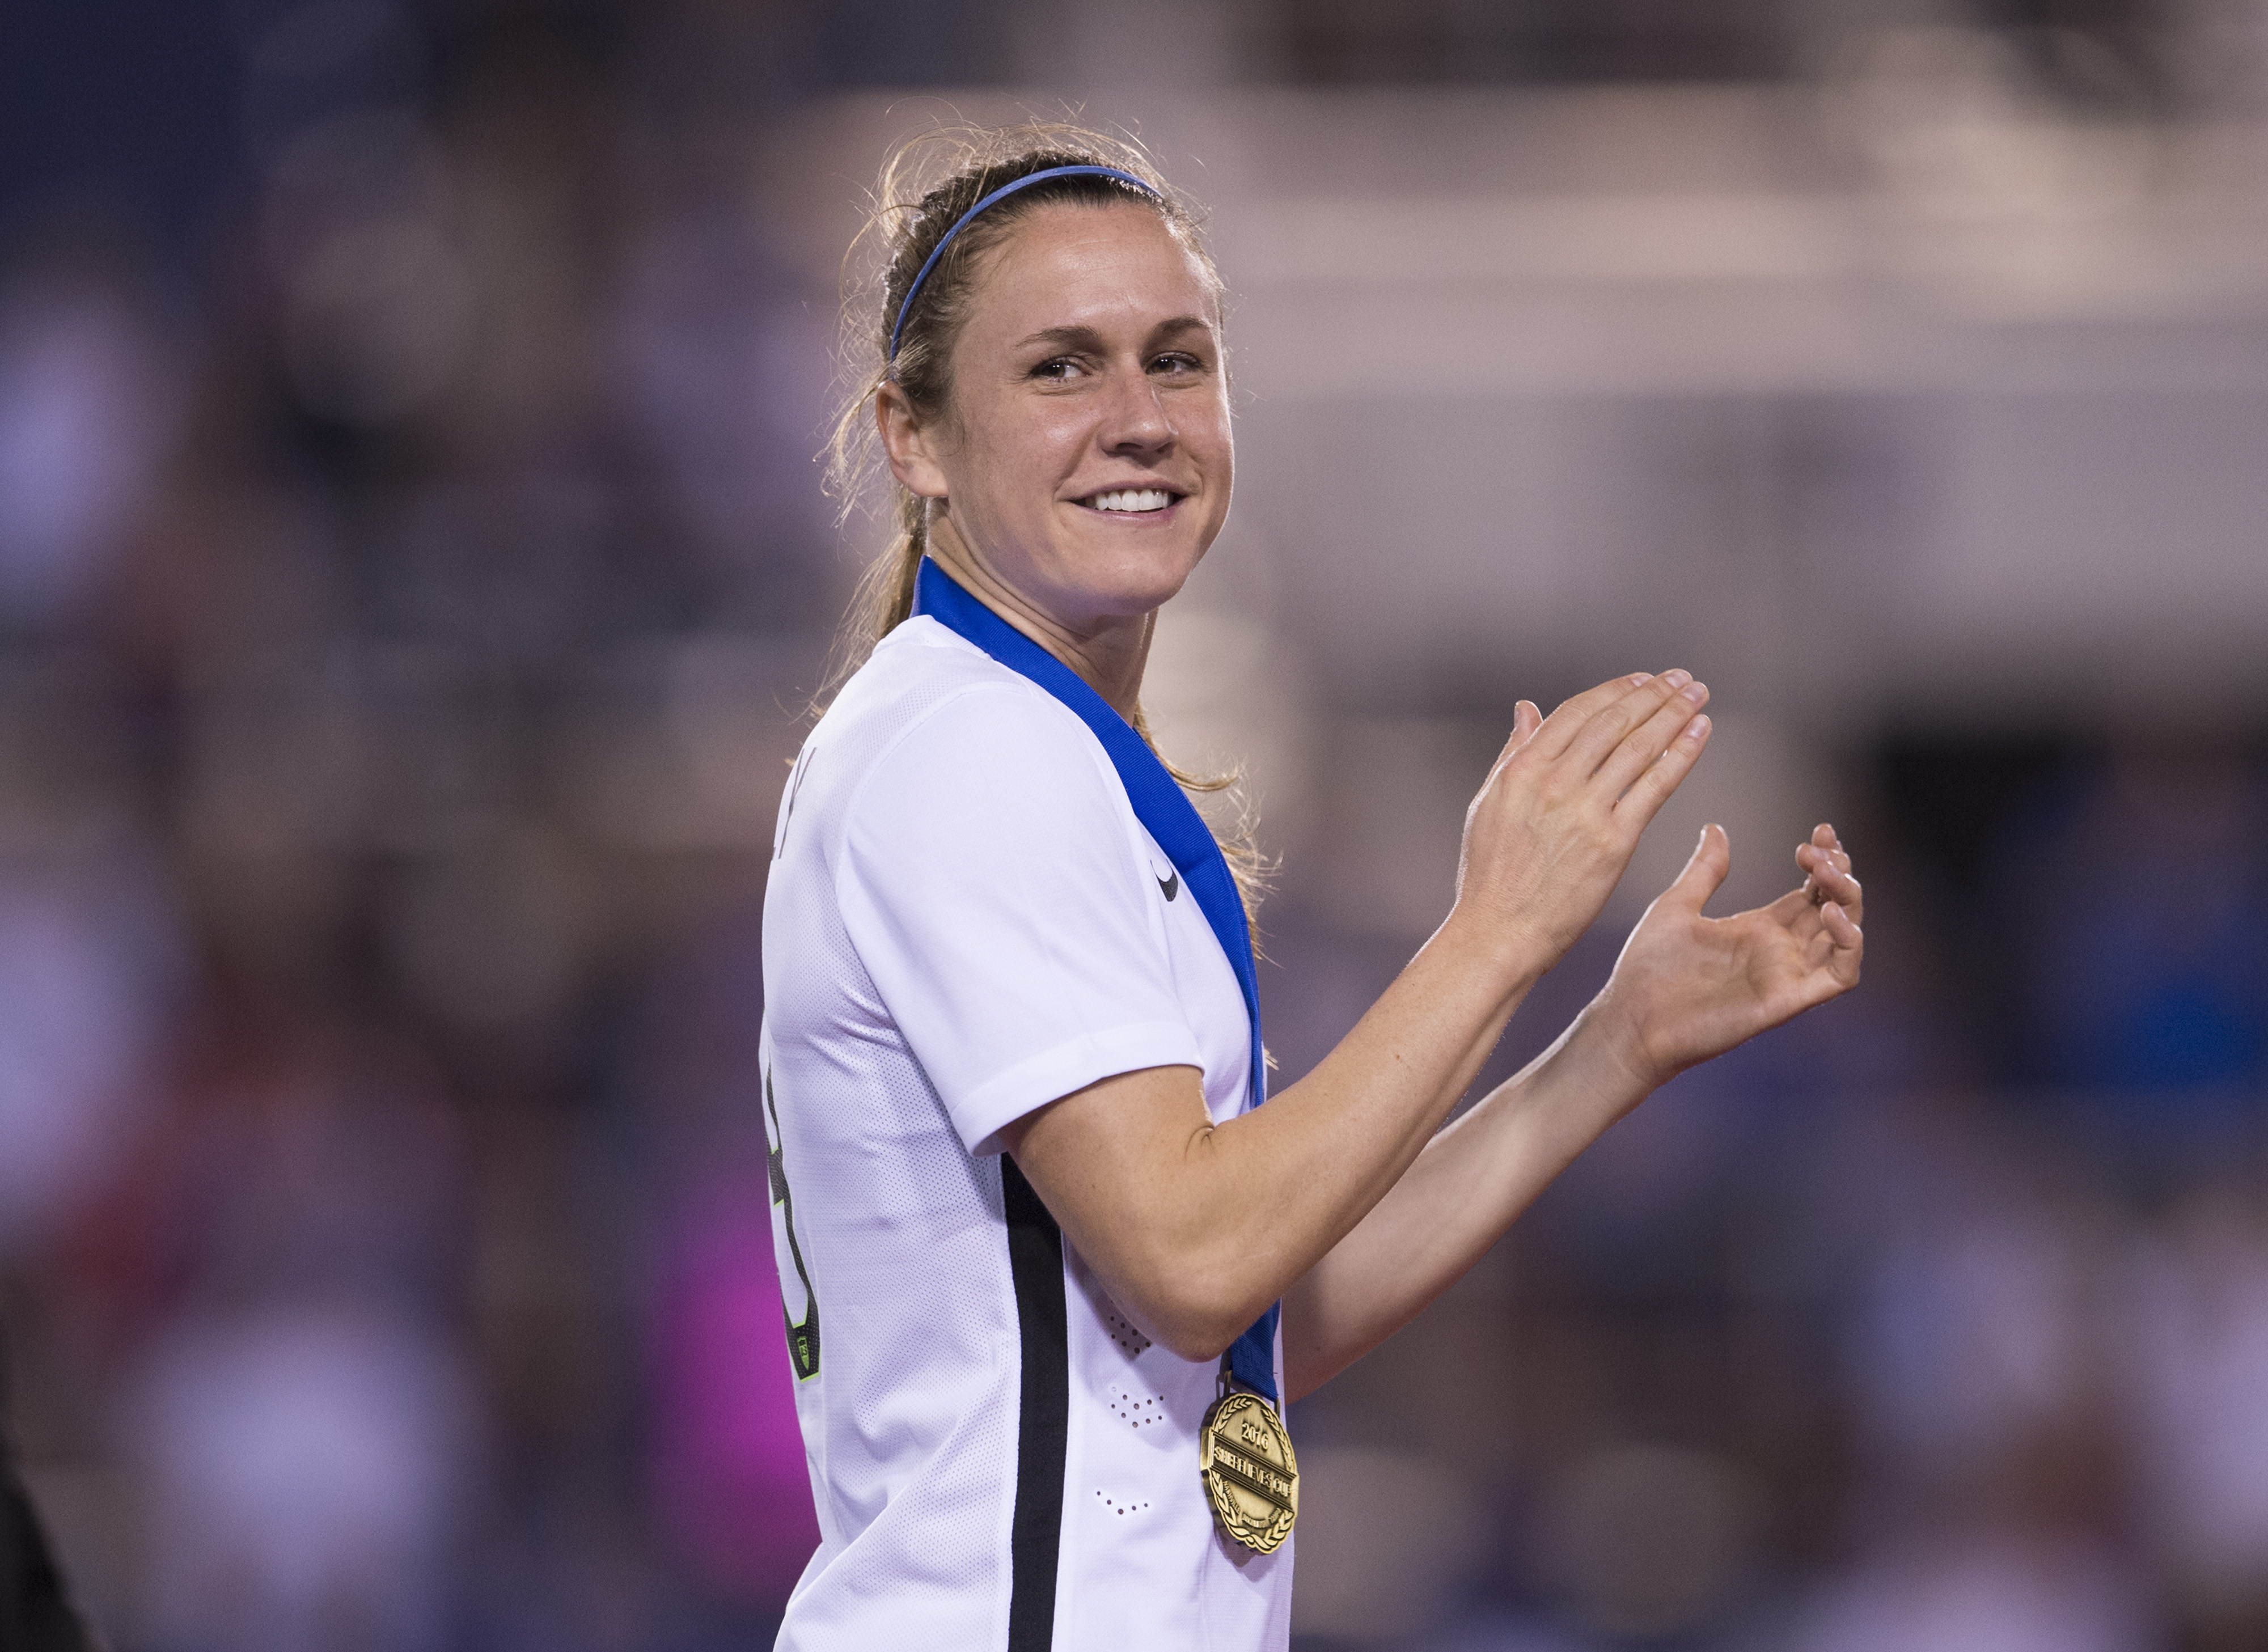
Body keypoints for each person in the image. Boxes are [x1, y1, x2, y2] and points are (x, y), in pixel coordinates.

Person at [759, 124, 1865, 1652]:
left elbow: (1255, 1313)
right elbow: (1200, 1256)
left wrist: (1610, 1040)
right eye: (1061, 368)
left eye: (1179, 358)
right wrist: (1494, 931)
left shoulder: (1027, 743)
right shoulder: (970, 748)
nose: (1140, 418)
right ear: (915, 436)